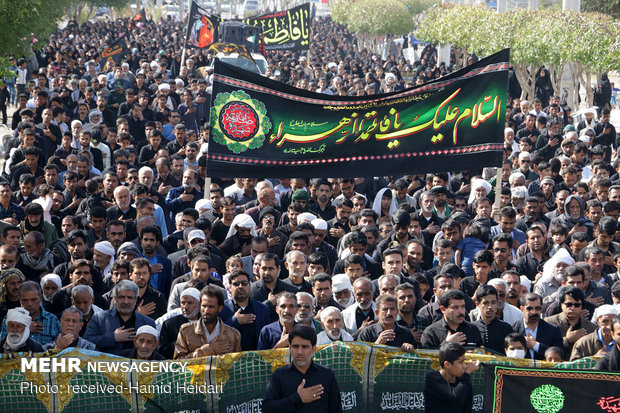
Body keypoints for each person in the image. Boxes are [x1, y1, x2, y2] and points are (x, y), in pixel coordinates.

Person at [262, 325, 342, 413]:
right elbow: (267, 408)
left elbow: (336, 409)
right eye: (296, 346)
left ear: (313, 349)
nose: (299, 351)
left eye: (304, 347)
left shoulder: (326, 375)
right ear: (290, 348)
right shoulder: (279, 375)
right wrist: (298, 398)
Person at [84, 280, 156, 355]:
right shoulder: (99, 318)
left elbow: (153, 349)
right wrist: (113, 337)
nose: (126, 301)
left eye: (130, 297)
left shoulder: (148, 323)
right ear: (115, 299)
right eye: (122, 297)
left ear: (136, 300)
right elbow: (87, 343)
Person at [174, 285, 241, 358]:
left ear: (220, 308)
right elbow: (178, 364)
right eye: (204, 306)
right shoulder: (186, 331)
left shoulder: (233, 335)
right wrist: (206, 351)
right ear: (199, 305)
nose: (206, 311)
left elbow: (237, 365)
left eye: (211, 307)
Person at [423, 341, 479, 413]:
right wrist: (467, 374)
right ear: (447, 364)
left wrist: (466, 377)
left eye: (464, 362)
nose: (464, 366)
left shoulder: (464, 381)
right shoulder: (432, 378)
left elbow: (467, 408)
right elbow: (454, 397)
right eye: (460, 362)